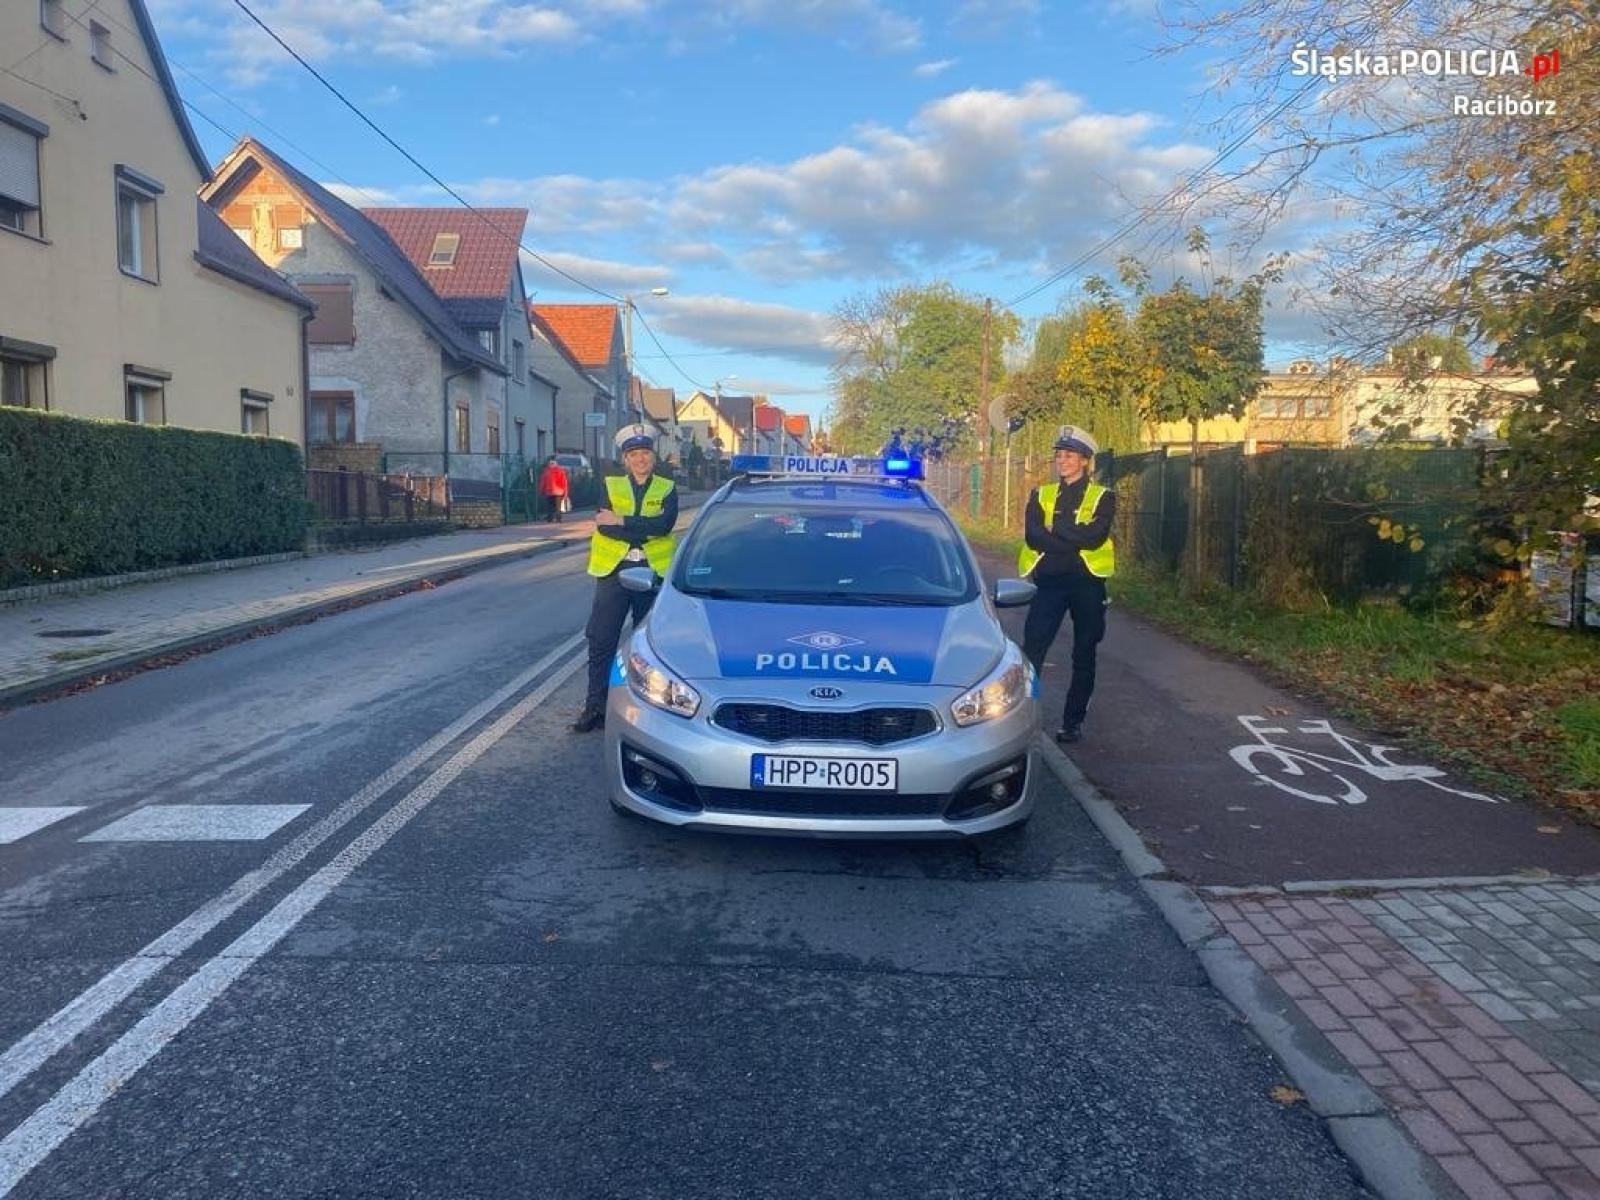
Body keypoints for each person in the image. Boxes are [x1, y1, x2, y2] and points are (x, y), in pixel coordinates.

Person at [570, 424, 679, 733]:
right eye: (634, 454)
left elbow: (664, 526)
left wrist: (622, 520)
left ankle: (649, 714)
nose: (640, 459)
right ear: (625, 459)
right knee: (601, 639)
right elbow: (604, 526)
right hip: (614, 571)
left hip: (653, 572)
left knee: (649, 647)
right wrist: (637, 524)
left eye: (645, 453)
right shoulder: (611, 484)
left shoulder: (666, 486)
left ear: (652, 457)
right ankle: (595, 709)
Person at [1018, 425, 1116, 744]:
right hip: (1050, 585)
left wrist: (1055, 529)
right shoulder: (1040, 494)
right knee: (1031, 651)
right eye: (1059, 455)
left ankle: (1072, 723)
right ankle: (1024, 719)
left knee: (1084, 653)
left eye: (1070, 456)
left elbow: (1095, 537)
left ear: (1085, 461)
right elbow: (1033, 535)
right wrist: (1072, 537)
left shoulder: (1104, 497)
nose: (1063, 461)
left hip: (1087, 586)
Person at [537, 455, 569, 523]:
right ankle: (558, 519)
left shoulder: (546, 471)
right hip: (559, 492)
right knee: (558, 506)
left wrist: (541, 491)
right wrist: (565, 493)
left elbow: (543, 482)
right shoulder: (560, 471)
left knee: (550, 506)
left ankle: (550, 518)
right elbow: (564, 482)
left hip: (549, 492)